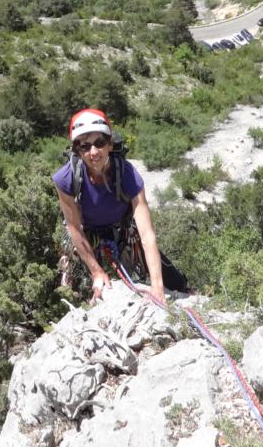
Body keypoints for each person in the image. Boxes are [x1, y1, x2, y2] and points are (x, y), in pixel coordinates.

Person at [52, 107, 189, 306]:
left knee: (173, 281)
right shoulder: (66, 178)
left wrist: (158, 286)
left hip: (123, 229)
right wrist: (96, 272)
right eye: (85, 146)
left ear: (110, 144)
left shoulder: (126, 174)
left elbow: (147, 233)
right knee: (75, 288)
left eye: (100, 143)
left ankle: (183, 289)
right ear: (77, 150)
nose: (94, 152)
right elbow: (73, 227)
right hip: (86, 232)